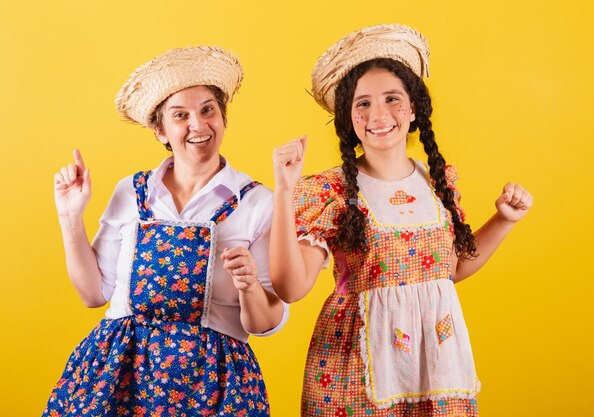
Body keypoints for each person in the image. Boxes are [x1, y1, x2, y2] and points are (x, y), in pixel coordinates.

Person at [270, 24, 533, 416]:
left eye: (392, 98)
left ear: (412, 109)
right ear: (349, 118)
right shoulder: (330, 190)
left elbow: (451, 269)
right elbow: (290, 289)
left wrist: (504, 220)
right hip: (355, 367)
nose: (378, 114)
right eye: (362, 103)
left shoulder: (438, 181)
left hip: (437, 367)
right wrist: (284, 191)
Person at [44, 46, 288, 416]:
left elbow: (268, 323)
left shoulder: (257, 203)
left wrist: (249, 284)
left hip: (214, 385)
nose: (198, 124)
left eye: (208, 109)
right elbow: (93, 294)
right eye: (180, 115)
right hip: (119, 374)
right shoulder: (132, 191)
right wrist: (70, 217)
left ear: (223, 117)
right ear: (160, 129)